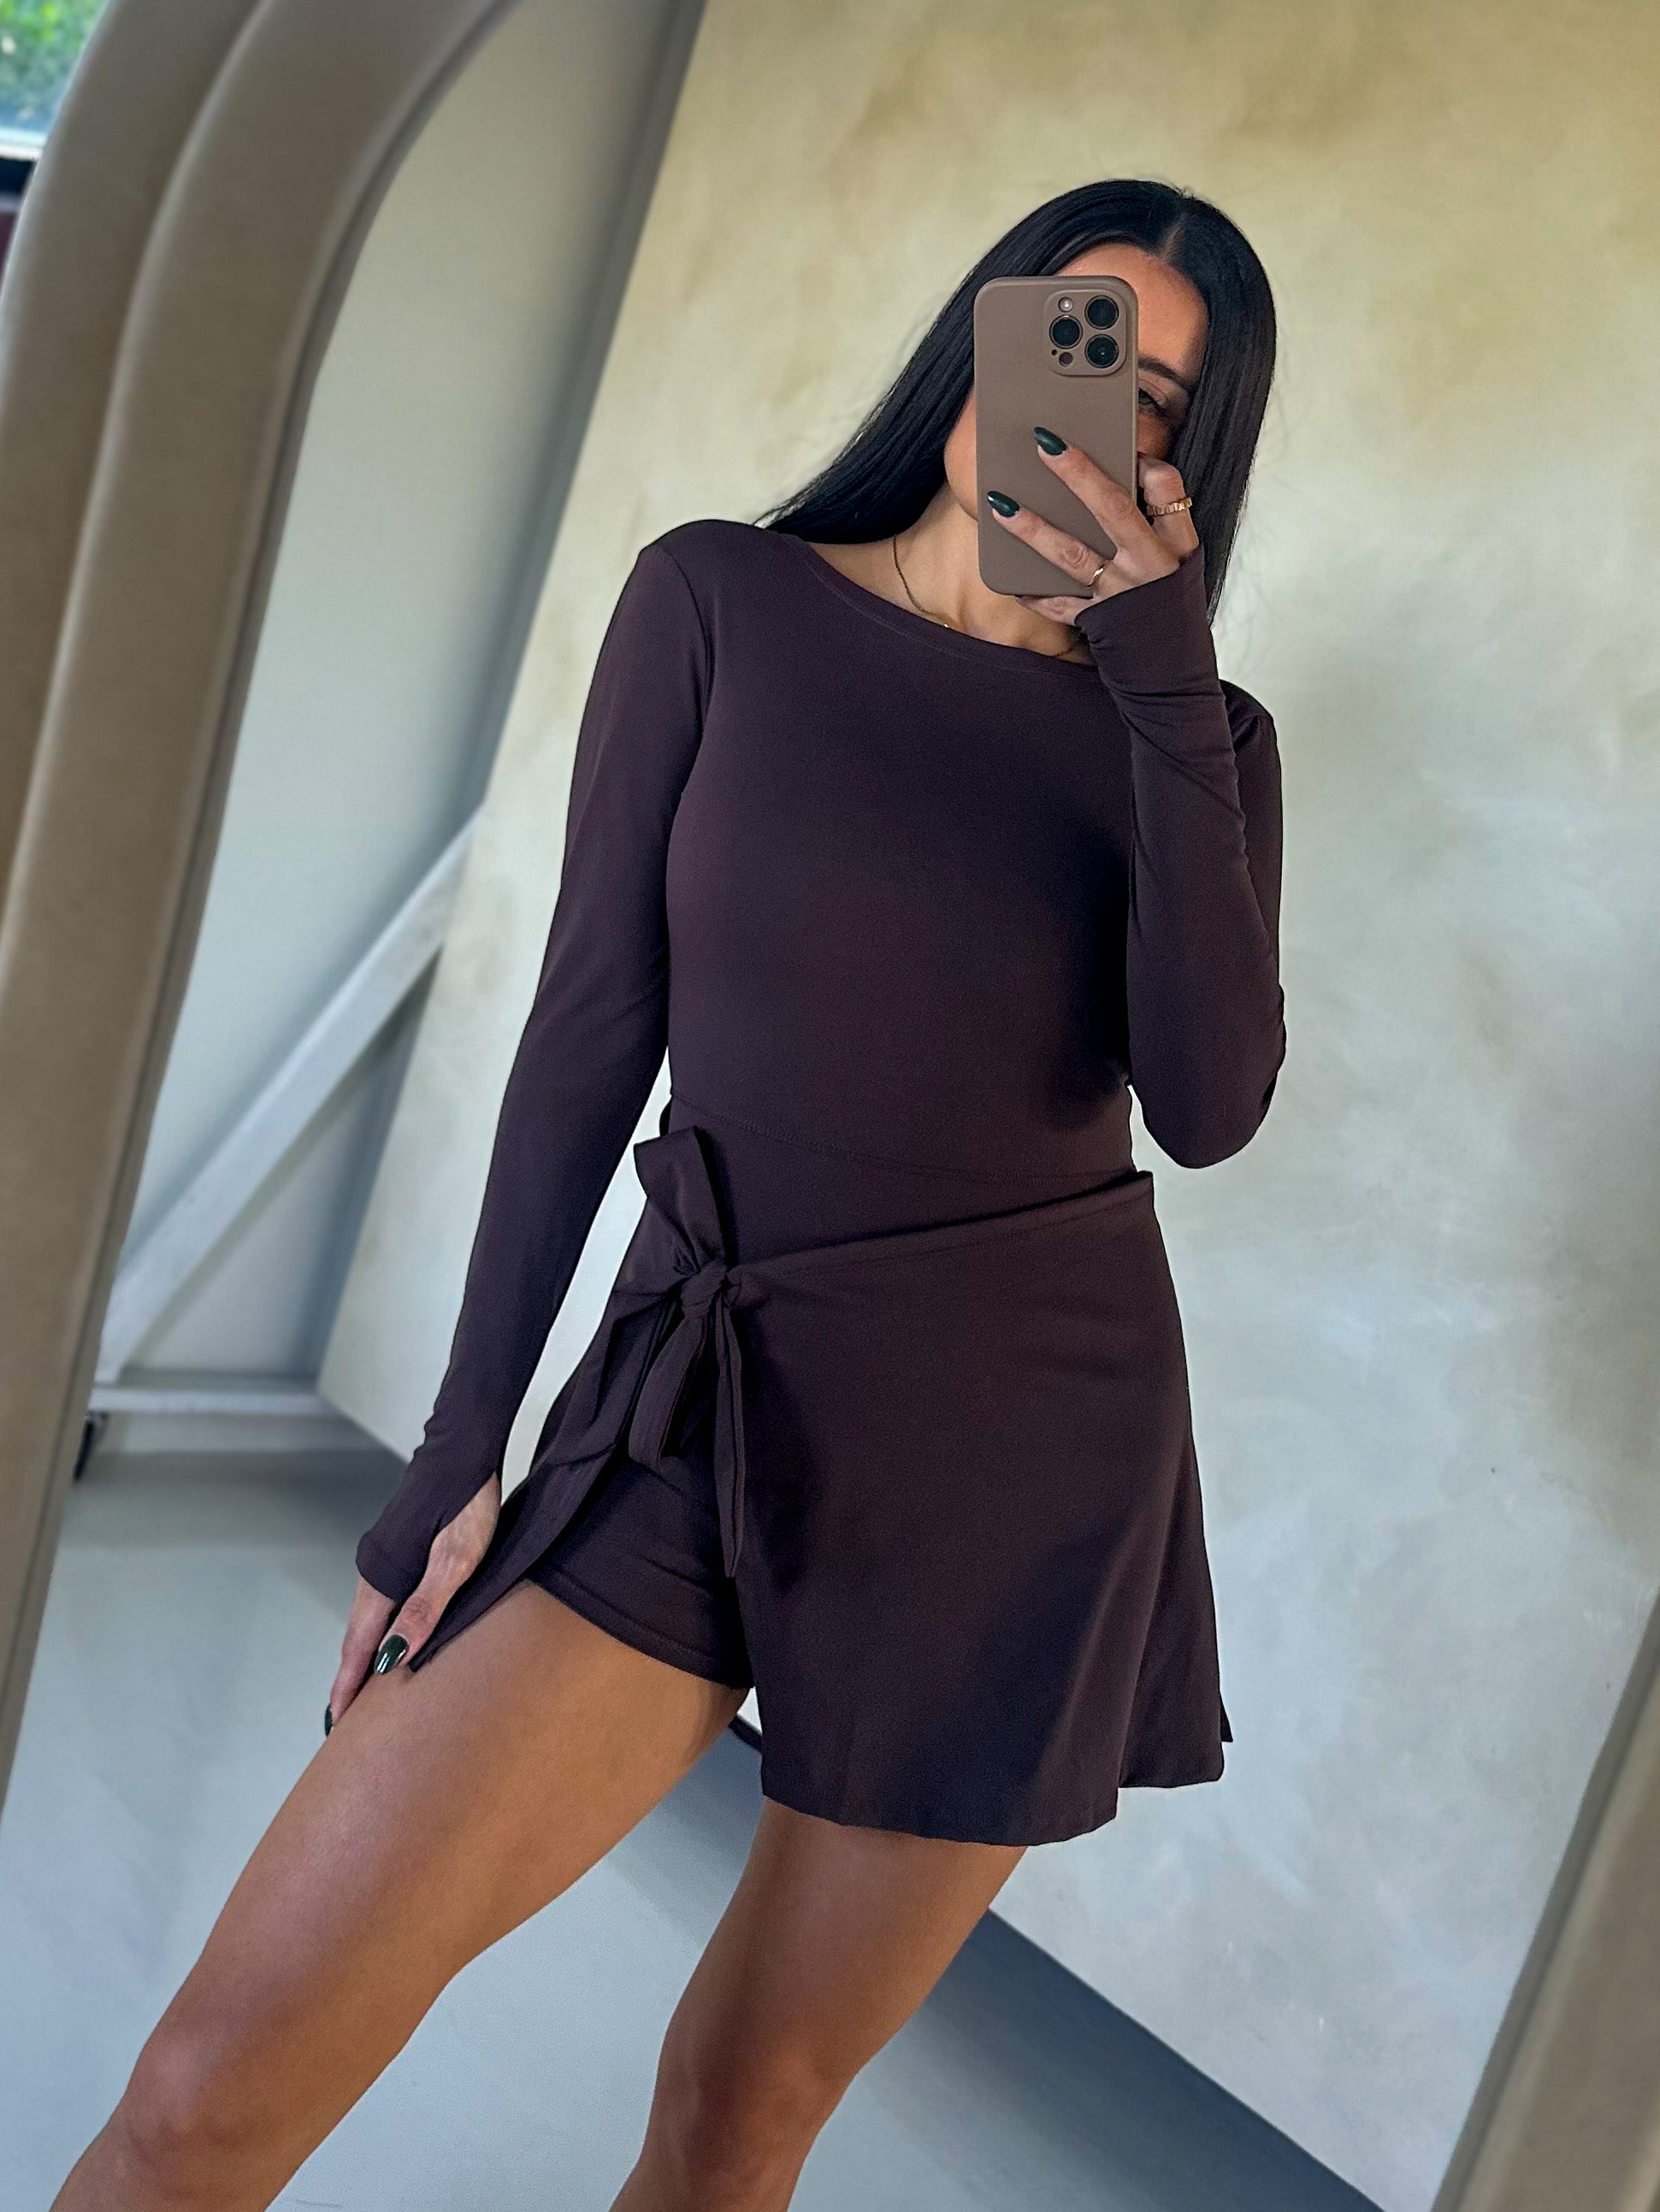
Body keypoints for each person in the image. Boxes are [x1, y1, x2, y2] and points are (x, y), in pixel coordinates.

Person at [53, 177, 1285, 2212]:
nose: (1087, 416)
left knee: (736, 2117)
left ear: (1185, 461)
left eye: (1150, 401)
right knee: (206, 2092)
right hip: (689, 1403)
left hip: (1015, 1463)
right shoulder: (723, 602)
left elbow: (1212, 1101)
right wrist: (459, 1450)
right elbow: (585, 1036)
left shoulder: (1196, 737)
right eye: (1065, 343)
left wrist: (1160, 688)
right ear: (978, 340)